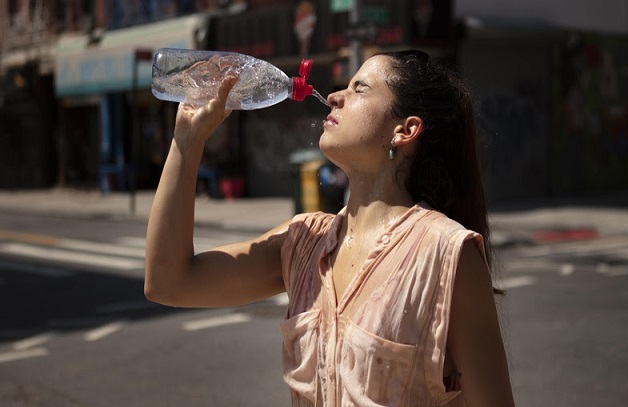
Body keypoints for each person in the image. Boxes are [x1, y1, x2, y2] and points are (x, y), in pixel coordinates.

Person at [145, 50, 515, 406]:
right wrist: (187, 141)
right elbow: (169, 283)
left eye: (359, 88)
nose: (335, 96)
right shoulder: (303, 242)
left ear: (405, 130)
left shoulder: (447, 254)